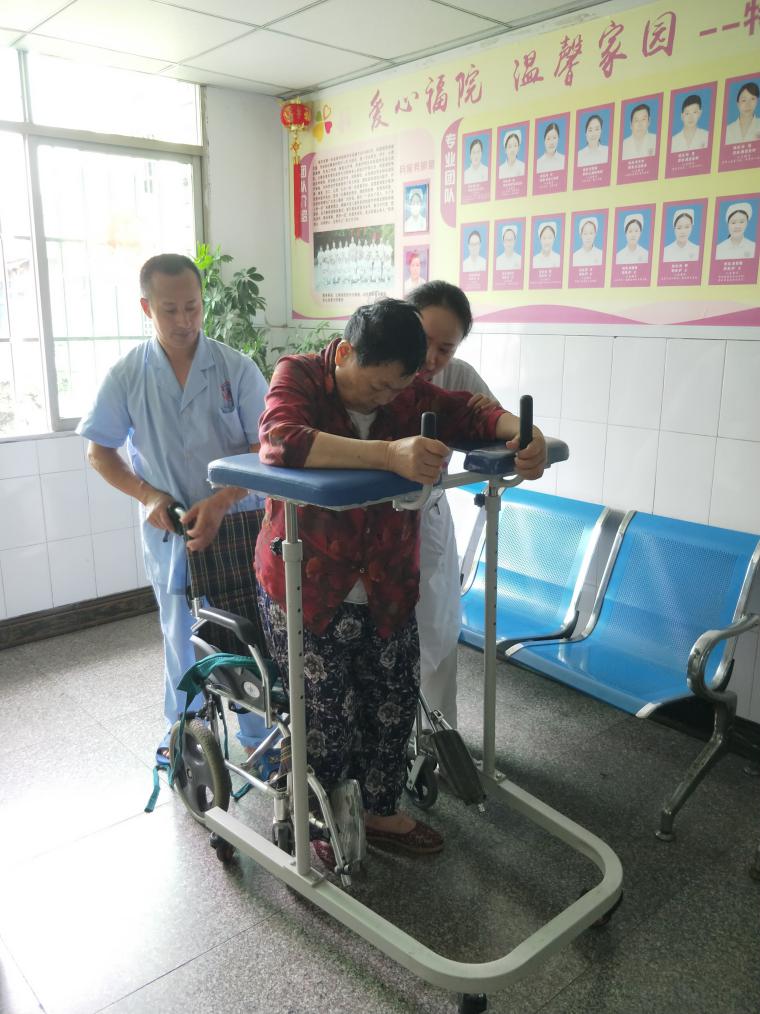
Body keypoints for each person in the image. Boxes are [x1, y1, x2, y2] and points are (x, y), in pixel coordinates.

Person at [253, 297, 546, 863]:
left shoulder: (410, 395)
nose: (388, 398)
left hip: (386, 584)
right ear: (345, 353)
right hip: (309, 585)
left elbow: (472, 413)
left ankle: (380, 810)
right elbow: (281, 439)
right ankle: (313, 819)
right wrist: (388, 454)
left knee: (392, 702)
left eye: (399, 388)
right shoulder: (300, 375)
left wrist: (525, 435)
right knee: (327, 715)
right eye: (378, 385)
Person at [77, 254, 270, 769]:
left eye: (193, 307)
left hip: (238, 522)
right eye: (170, 310)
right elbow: (99, 451)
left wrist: (223, 499)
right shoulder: (127, 375)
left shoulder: (236, 368)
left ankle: (259, 737)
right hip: (172, 528)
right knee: (180, 631)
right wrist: (147, 495)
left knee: (246, 629)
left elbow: (267, 448)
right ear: (147, 308)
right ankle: (185, 730)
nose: (185, 320)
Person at [407, 282, 494, 729]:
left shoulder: (457, 376)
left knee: (437, 628)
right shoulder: (373, 367)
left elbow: (495, 422)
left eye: (445, 348)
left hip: (427, 516)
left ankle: (438, 738)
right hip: (368, 520)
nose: (431, 358)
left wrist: (523, 437)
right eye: (423, 341)